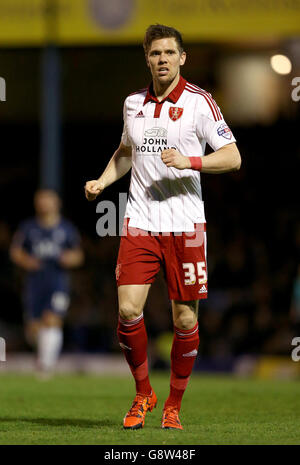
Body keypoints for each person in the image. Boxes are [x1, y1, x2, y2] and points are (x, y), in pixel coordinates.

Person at [85, 24, 241, 430]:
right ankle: (142, 394)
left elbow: (233, 157)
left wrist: (191, 161)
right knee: (126, 309)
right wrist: (103, 181)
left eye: (170, 53)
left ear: (182, 57)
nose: (163, 60)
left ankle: (173, 404)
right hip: (140, 222)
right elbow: (125, 152)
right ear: (147, 58)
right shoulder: (132, 104)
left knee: (185, 321)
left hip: (186, 226)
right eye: (155, 53)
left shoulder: (199, 103)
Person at [10, 189, 84, 375]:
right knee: (34, 328)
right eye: (40, 200)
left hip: (58, 280)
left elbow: (79, 255)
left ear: (56, 203)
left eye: (47, 200)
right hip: (35, 282)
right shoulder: (29, 227)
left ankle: (45, 366)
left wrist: (70, 258)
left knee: (53, 319)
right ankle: (43, 355)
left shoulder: (66, 229)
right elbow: (16, 251)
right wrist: (26, 261)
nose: (43, 204)